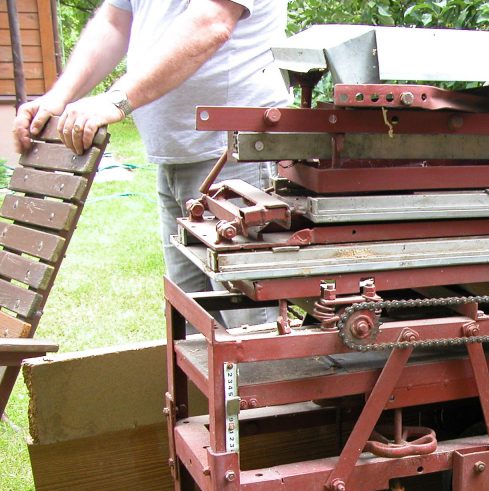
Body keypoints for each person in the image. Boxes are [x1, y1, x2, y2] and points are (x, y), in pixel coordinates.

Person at [12, 0, 289, 326]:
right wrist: (58, 98)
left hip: (236, 155)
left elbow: (212, 21)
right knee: (191, 327)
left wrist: (118, 98)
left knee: (250, 327)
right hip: (175, 158)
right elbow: (115, 22)